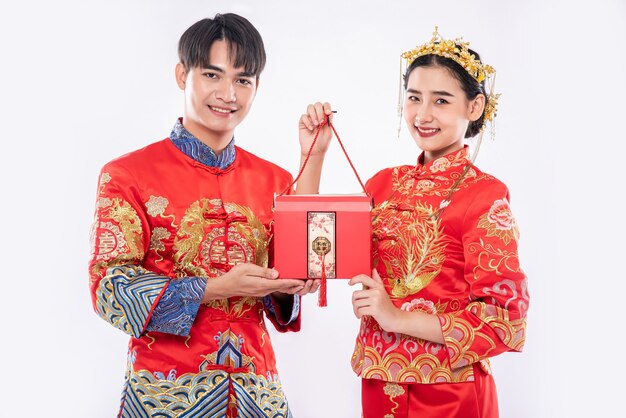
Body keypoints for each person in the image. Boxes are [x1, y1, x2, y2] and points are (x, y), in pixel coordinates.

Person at [88, 13, 331, 417]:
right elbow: (109, 288)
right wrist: (212, 287)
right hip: (166, 396)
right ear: (183, 75)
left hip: (258, 394)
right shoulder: (128, 174)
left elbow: (305, 265)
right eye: (212, 75)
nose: (228, 93)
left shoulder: (275, 178)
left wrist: (313, 156)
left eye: (242, 80)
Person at [344, 28, 529, 417]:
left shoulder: (485, 194)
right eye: (414, 98)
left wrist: (396, 317)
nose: (422, 115)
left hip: (451, 392)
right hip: (379, 384)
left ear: (475, 107)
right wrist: (315, 151)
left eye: (441, 101)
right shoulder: (383, 184)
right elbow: (317, 250)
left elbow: (504, 319)